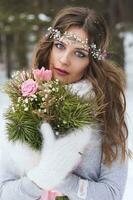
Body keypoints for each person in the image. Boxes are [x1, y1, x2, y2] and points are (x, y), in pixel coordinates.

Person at [0, 6, 129, 200]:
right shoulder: (22, 101)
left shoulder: (106, 109)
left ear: (91, 62)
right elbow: (4, 192)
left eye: (79, 54)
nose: (64, 59)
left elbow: (112, 193)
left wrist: (62, 178)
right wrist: (41, 179)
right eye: (60, 46)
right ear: (50, 45)